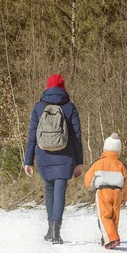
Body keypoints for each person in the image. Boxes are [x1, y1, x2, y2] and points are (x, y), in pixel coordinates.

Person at [24, 74, 83, 244]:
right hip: (65, 156)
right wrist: (79, 162)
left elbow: (32, 136)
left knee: (49, 190)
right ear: (63, 88)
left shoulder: (38, 107)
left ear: (47, 87)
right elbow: (77, 137)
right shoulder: (70, 107)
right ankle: (56, 232)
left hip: (43, 156)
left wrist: (29, 161)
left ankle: (50, 230)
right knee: (59, 193)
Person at [83, 133, 127, 249]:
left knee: (104, 216)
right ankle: (108, 239)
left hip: (103, 192)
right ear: (118, 150)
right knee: (114, 217)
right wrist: (125, 198)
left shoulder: (98, 163)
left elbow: (88, 180)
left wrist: (92, 188)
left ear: (105, 148)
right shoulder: (121, 165)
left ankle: (112, 238)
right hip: (117, 193)